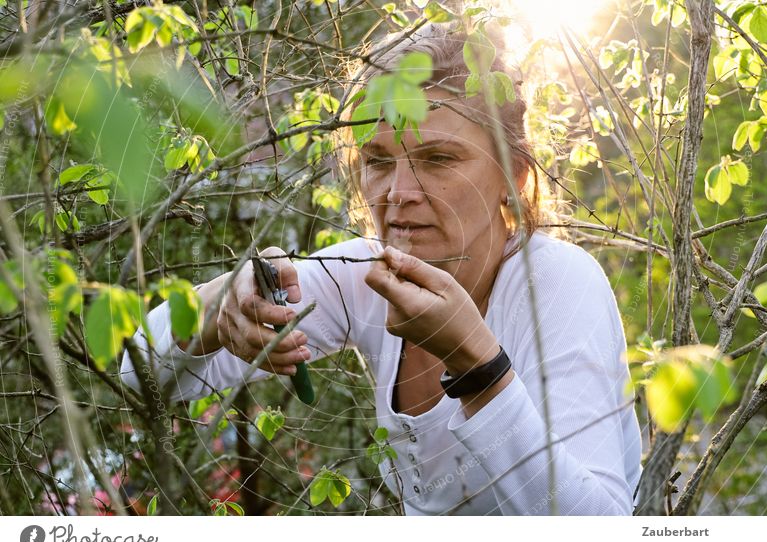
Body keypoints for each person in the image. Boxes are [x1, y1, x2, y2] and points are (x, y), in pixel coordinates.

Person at [121, 23, 642, 515]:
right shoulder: (364, 275)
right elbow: (137, 371)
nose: (398, 194)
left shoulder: (555, 285)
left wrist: (478, 367)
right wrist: (222, 305)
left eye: (438, 159)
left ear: (512, 173)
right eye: (377, 160)